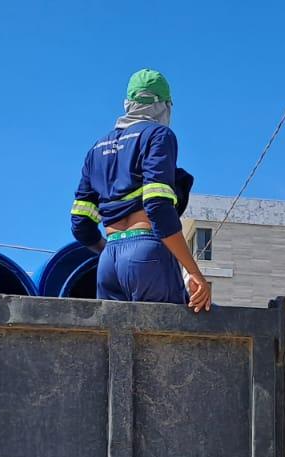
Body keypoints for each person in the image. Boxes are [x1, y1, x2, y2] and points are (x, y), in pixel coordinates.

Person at [70, 69, 212, 312]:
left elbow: (80, 222)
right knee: (162, 344)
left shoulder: (96, 150)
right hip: (147, 253)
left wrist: (110, 250)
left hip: (109, 261)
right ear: (165, 105)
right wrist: (193, 271)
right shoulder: (158, 135)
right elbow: (157, 206)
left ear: (128, 104)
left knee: (116, 346)